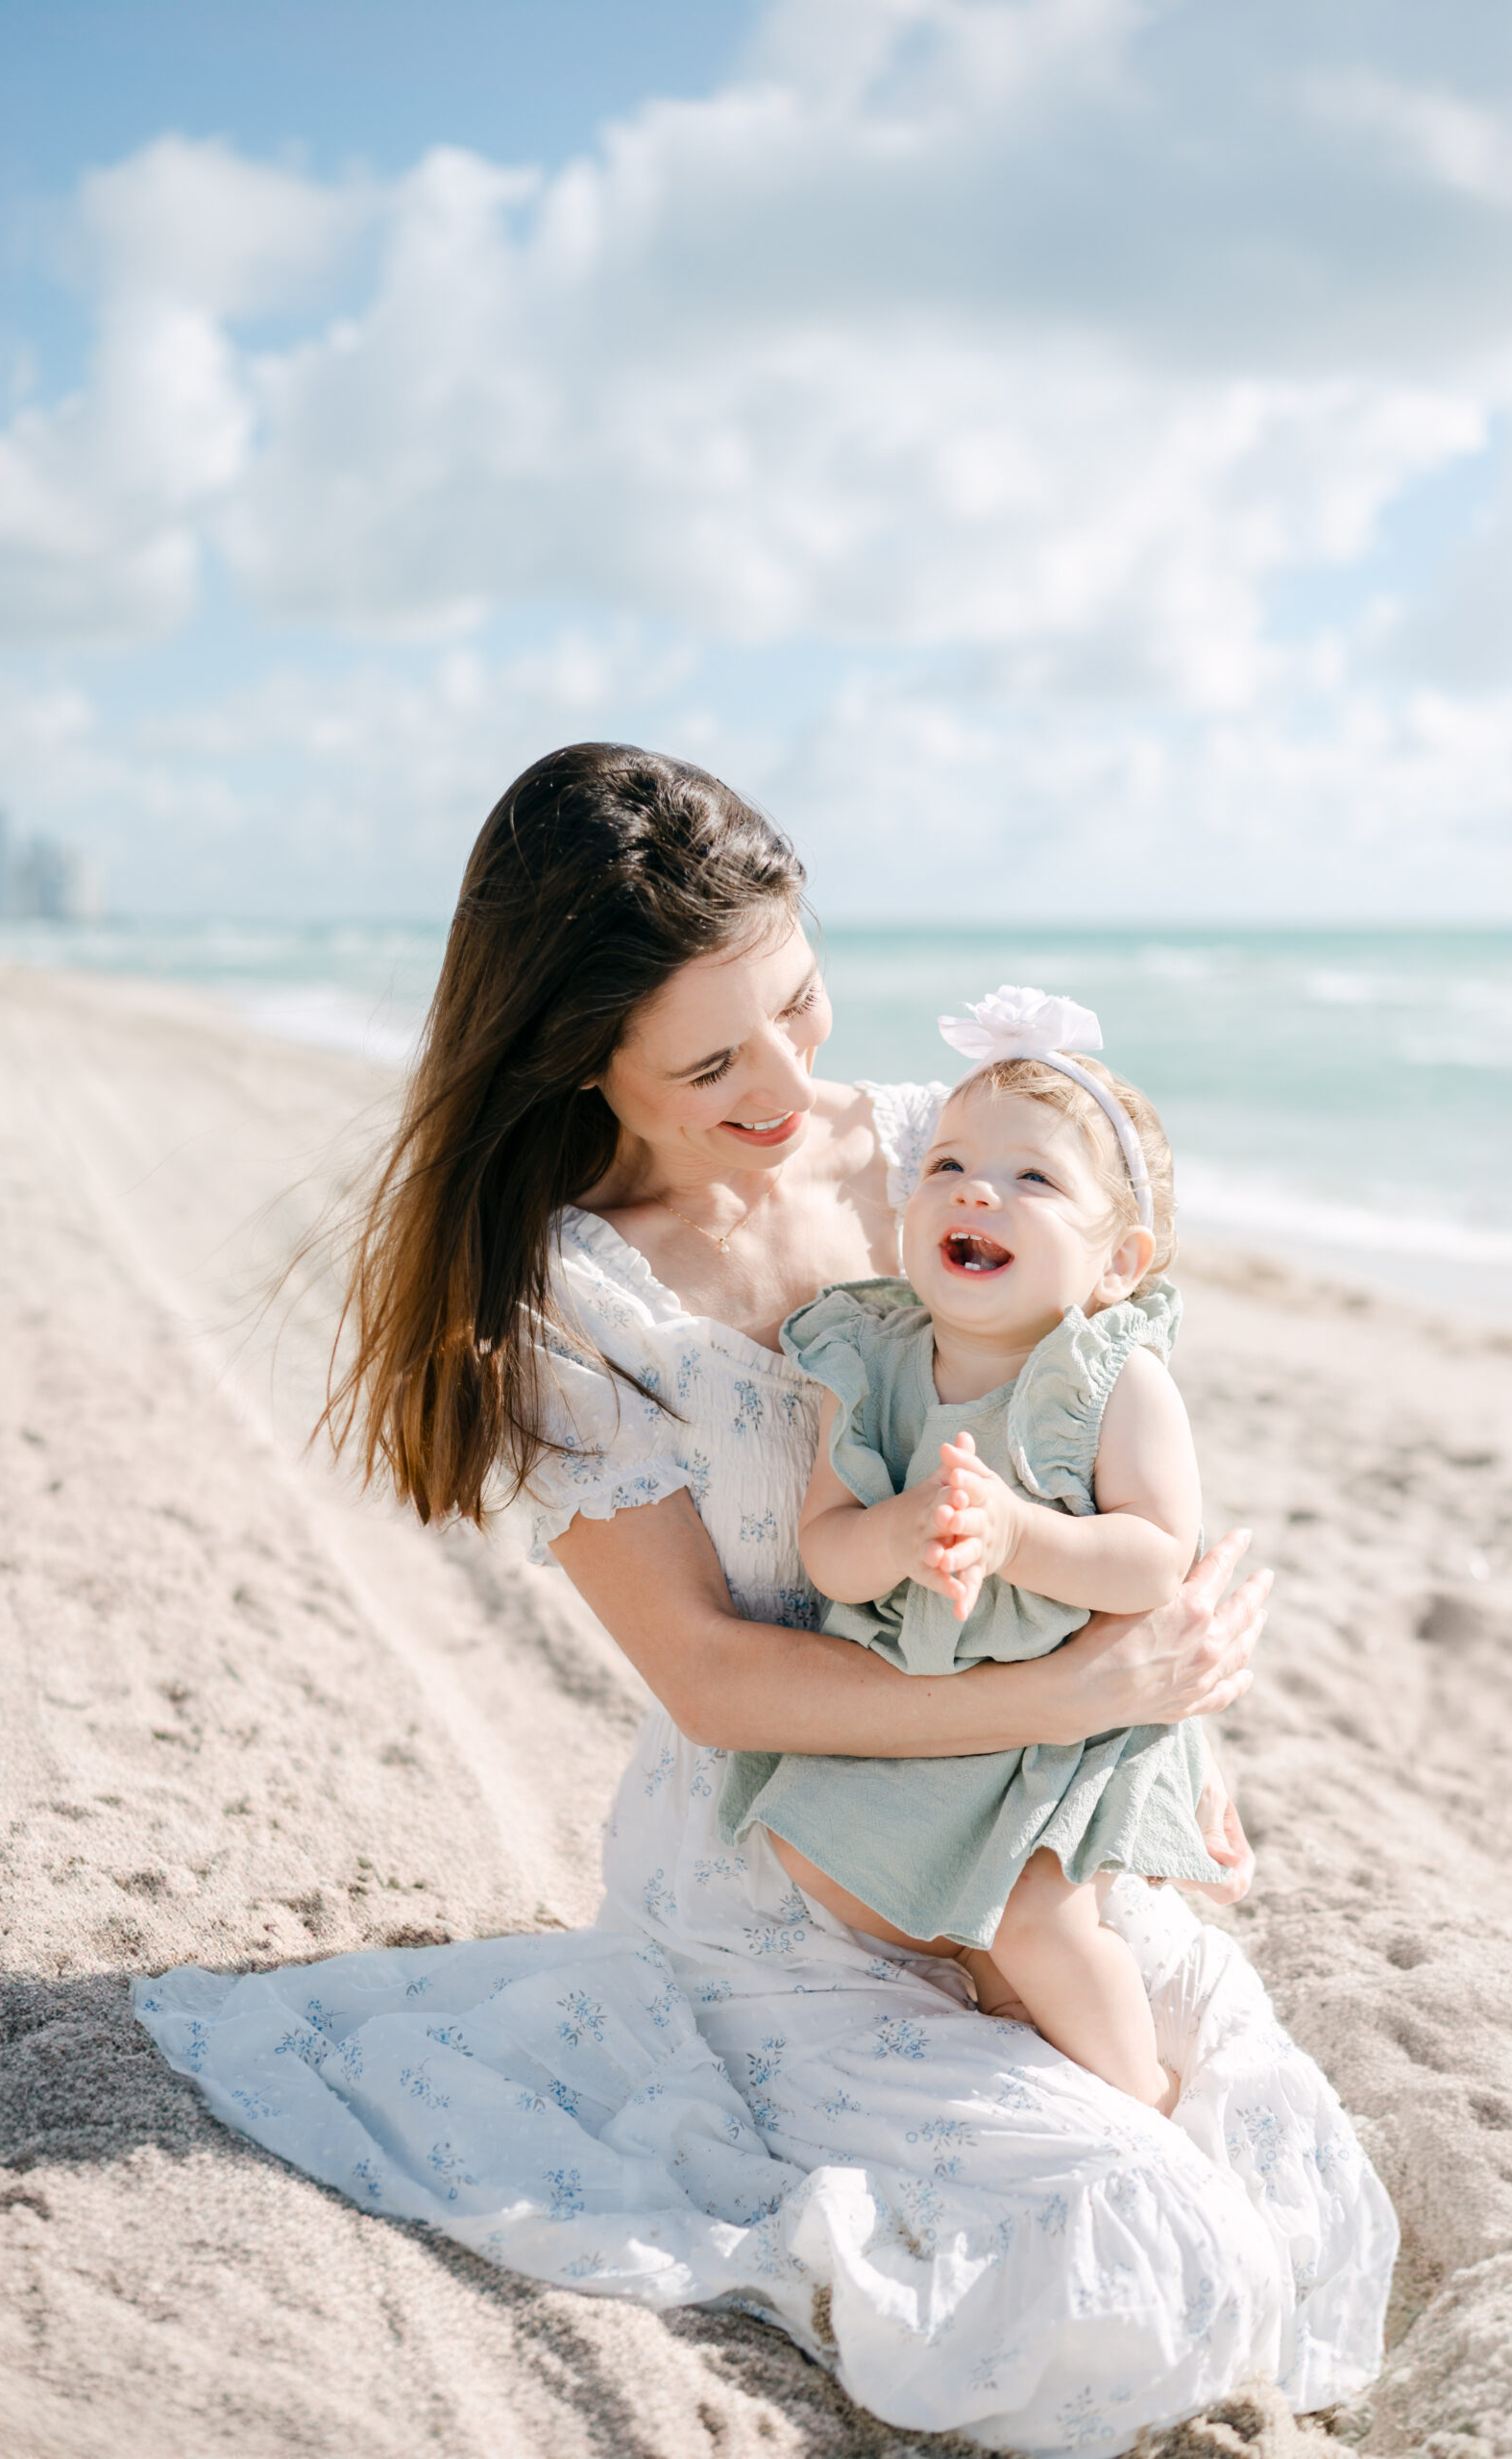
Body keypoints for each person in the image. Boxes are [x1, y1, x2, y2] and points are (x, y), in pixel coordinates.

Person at [134, 743, 1396, 2455]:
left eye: (801, 1004)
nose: (792, 1080)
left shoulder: (934, 1162)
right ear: (585, 1062)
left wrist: (1151, 1723)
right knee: (1142, 2245)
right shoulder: (568, 1307)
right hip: (787, 1893)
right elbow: (719, 1684)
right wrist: (1078, 1700)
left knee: (1276, 2172)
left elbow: (1083, 1445)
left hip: (1028, 1822)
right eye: (716, 1059)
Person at [722, 992, 1226, 2116]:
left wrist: (1018, 1534)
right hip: (930, 1710)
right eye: (947, 1164)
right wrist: (894, 1533)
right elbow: (827, 1555)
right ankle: (988, 1979)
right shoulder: (877, 1359)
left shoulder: (1109, 1379)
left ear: (1118, 1261)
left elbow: (1154, 1557)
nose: (976, 1190)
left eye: (1035, 1180)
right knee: (817, 1858)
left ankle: (1138, 2086)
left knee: (1044, 1916)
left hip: (1070, 1724)